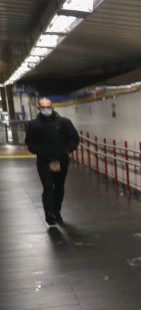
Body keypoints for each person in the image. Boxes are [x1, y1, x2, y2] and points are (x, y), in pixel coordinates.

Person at [25, 96, 80, 226]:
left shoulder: (64, 123)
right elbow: (29, 141)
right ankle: (49, 213)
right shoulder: (34, 125)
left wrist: (68, 150)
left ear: (52, 107)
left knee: (59, 187)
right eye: (43, 107)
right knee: (48, 187)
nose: (46, 109)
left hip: (60, 160)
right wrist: (36, 151)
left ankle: (56, 211)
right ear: (38, 108)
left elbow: (74, 138)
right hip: (44, 161)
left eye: (48, 107)